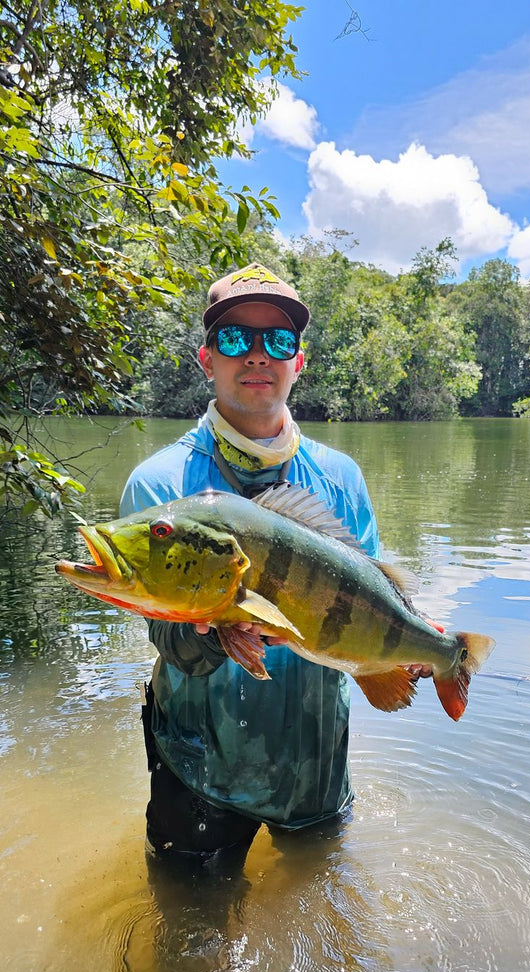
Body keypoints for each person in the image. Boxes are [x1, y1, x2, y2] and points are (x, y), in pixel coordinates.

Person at [120, 262, 395, 860]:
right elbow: (175, 646)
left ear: (298, 361)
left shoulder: (341, 478)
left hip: (314, 766)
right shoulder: (160, 486)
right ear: (206, 358)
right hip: (199, 772)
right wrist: (223, 631)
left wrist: (408, 647)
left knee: (323, 924)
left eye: (277, 340)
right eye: (235, 337)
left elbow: (372, 602)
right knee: (188, 938)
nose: (256, 355)